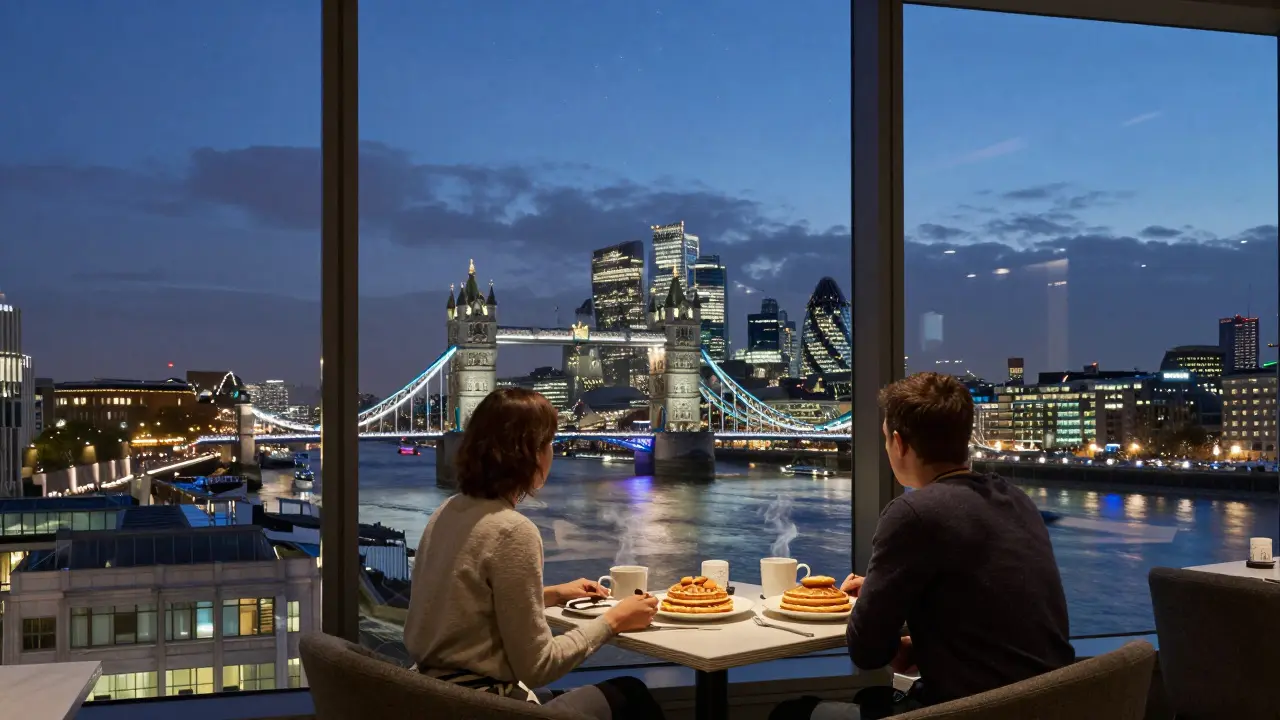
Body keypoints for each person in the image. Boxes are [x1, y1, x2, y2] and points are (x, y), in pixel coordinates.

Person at [772, 373, 1074, 719]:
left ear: (898, 443)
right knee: (872, 696)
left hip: (974, 711)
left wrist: (871, 603)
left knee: (790, 714)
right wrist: (920, 632)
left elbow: (867, 652)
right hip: (1054, 703)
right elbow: (997, 609)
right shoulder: (1018, 501)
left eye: (885, 438)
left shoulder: (913, 513)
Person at [404, 388, 665, 719]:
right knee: (631, 694)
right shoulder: (513, 530)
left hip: (429, 698)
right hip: (483, 707)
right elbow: (539, 666)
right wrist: (614, 621)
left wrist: (553, 594)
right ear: (530, 453)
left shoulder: (447, 511)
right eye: (549, 442)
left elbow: (466, 607)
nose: (552, 451)